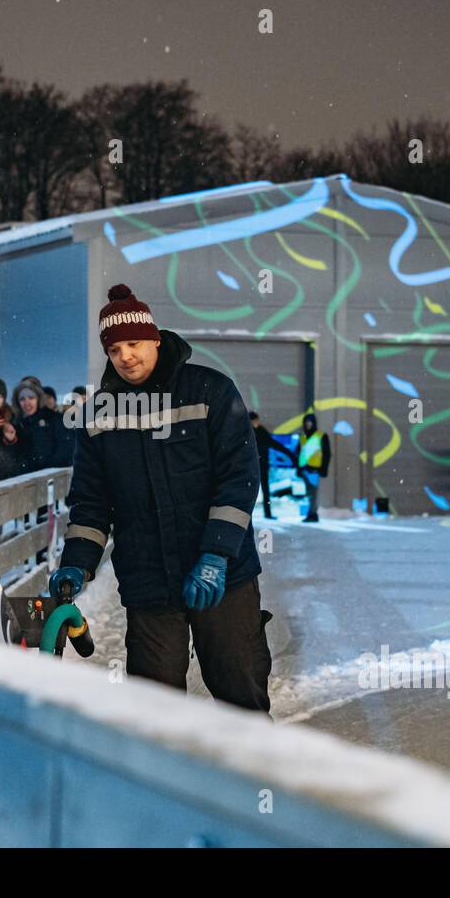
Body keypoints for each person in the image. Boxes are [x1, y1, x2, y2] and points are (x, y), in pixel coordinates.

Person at [51, 283, 271, 714]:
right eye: (115, 350)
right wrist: (77, 562)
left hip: (224, 579)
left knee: (240, 695)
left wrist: (216, 556)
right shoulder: (99, 415)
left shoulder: (210, 391)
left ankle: (250, 782)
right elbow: (92, 504)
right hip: (149, 582)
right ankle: (163, 781)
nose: (126, 356)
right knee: (155, 710)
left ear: (154, 337)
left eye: (134, 343)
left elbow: (239, 478)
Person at [12, 377, 73, 471]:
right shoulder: (17, 427)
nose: (27, 403)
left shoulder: (55, 419)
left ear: (38, 398)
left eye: (31, 398)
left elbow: (67, 451)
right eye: (22, 399)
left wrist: (44, 470)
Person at [250, 412, 296, 519]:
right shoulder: (247, 432)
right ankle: (249, 515)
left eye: (257, 420)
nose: (256, 423)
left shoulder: (261, 431)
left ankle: (267, 513)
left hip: (261, 465)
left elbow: (274, 444)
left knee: (265, 490)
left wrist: (289, 454)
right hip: (252, 467)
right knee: (251, 491)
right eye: (254, 421)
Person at [296, 412, 331, 522]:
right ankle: (311, 513)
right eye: (306, 422)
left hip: (314, 469)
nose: (308, 425)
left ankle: (312, 513)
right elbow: (299, 452)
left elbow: (326, 453)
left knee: (312, 492)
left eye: (309, 422)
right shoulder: (303, 436)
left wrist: (323, 468)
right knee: (310, 492)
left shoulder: (321, 436)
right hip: (304, 468)